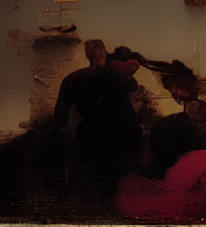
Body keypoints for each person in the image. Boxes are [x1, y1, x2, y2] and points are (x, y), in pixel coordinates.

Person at [53, 38, 142, 191]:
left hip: (90, 135)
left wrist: (63, 132)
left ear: (88, 55)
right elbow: (132, 89)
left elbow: (60, 117)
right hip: (121, 135)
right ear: (103, 53)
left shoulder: (72, 79)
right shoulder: (119, 78)